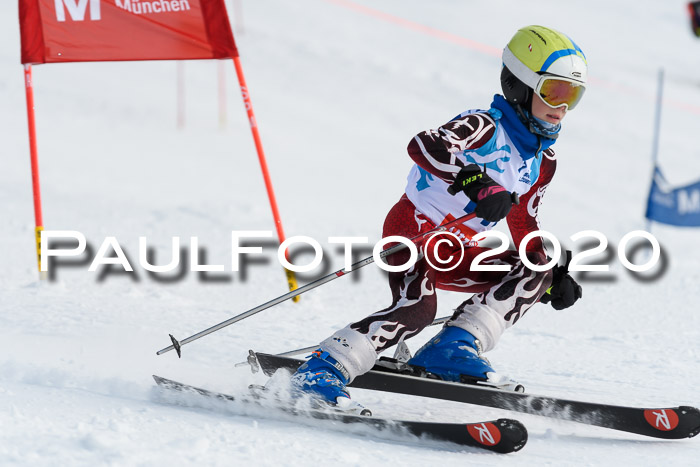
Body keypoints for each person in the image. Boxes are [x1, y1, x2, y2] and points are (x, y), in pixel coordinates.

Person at [289, 25, 585, 408]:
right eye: (554, 90)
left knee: (534, 265)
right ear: (521, 85)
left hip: (456, 248)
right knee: (417, 308)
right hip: (413, 231)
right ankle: (321, 371)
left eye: (573, 95)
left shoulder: (543, 160)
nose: (562, 106)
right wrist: (476, 182)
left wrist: (549, 278)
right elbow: (425, 144)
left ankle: (452, 348)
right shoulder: (484, 125)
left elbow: (524, 222)